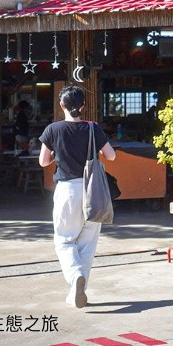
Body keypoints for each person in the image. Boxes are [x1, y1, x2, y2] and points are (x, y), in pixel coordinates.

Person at [38, 85, 116, 309]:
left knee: (64, 240)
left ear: (61, 105)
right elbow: (110, 156)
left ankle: (75, 278)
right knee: (87, 243)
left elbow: (43, 162)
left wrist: (57, 153)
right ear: (82, 106)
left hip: (67, 190)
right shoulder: (93, 128)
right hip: (93, 190)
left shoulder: (53, 130)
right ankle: (77, 290)